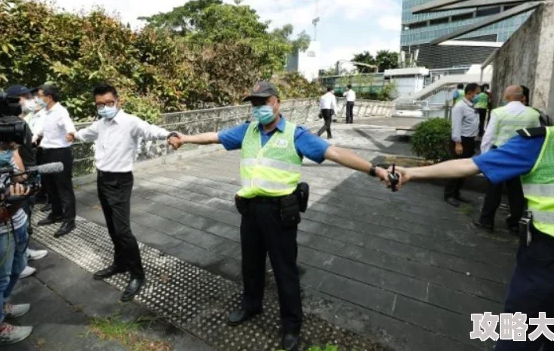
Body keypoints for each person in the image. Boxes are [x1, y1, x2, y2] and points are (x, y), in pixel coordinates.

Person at [168, 81, 392, 351]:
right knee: (251, 265)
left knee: (285, 271)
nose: (259, 108)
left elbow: (335, 153)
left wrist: (373, 169)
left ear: (277, 102)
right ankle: (251, 306)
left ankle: (292, 326)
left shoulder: (295, 135)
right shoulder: (247, 131)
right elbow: (215, 136)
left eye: (264, 102)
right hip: (250, 210)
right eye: (254, 103)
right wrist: (185, 139)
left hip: (280, 212)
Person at [391, 71, 554, 351]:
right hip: (548, 262)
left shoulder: (498, 113)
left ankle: (488, 219)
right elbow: (473, 165)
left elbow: (486, 141)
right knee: (518, 340)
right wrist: (413, 173)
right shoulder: (542, 140)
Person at [66, 84, 175, 302]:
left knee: (123, 230)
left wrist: (170, 134)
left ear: (118, 101)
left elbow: (150, 130)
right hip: (103, 178)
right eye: (100, 104)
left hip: (120, 181)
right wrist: (74, 135)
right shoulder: (101, 123)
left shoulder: (130, 122)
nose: (105, 107)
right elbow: (86, 133)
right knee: (113, 227)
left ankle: (137, 274)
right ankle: (120, 263)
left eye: (109, 103)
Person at [475, 85, 540, 232]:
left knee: (494, 190)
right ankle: (515, 223)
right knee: (517, 192)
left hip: (501, 155)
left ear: (507, 97)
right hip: (521, 156)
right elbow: (537, 137)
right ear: (522, 97)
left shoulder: (498, 113)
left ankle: (486, 221)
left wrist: (485, 157)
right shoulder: (533, 114)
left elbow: (489, 136)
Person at [4, 85, 48, 277]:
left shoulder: (21, 122)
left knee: (26, 215)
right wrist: (22, 176)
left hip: (29, 172)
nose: (31, 100)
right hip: (21, 177)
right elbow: (13, 152)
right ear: (14, 100)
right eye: (25, 97)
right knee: (18, 216)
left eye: (31, 96)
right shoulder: (9, 124)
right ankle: (17, 263)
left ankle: (24, 252)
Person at [0, 117, 34, 345]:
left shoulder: (6, 152)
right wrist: (17, 201)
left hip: (18, 223)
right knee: (0, 280)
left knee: (18, 268)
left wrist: (13, 150)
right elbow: (2, 213)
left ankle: (1, 304)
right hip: (1, 231)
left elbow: (21, 177)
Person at [34, 84, 76, 237]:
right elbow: (41, 129)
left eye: (40, 96)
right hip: (46, 153)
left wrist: (71, 133)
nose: (38, 99)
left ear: (49, 97)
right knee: (50, 185)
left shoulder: (60, 111)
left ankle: (69, 220)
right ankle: (57, 214)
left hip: (60, 154)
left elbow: (69, 125)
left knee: (64, 188)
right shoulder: (46, 112)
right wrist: (35, 137)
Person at [444, 82, 480, 207]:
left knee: (463, 169)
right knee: (456, 169)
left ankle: (456, 193)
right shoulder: (460, 106)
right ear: (470, 93)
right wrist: (458, 143)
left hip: (470, 141)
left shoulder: (471, 105)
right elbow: (456, 126)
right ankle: (449, 194)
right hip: (461, 141)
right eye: (477, 93)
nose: (479, 95)